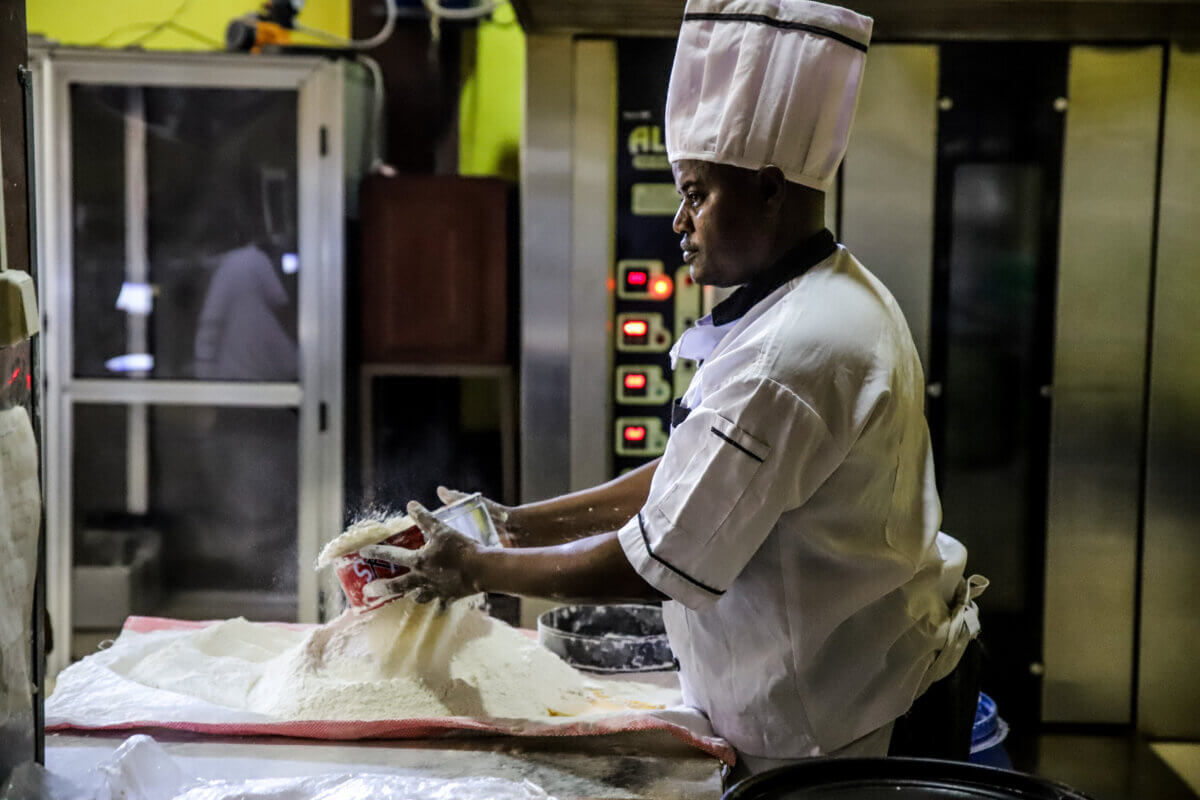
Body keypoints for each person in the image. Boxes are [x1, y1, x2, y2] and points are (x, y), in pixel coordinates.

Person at [360, 0, 986, 775]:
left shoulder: (788, 355)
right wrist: (517, 524)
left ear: (766, 187)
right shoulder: (824, 292)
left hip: (851, 720)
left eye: (697, 193)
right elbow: (696, 481)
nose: (679, 222)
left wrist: (478, 569)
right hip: (858, 671)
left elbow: (654, 562)